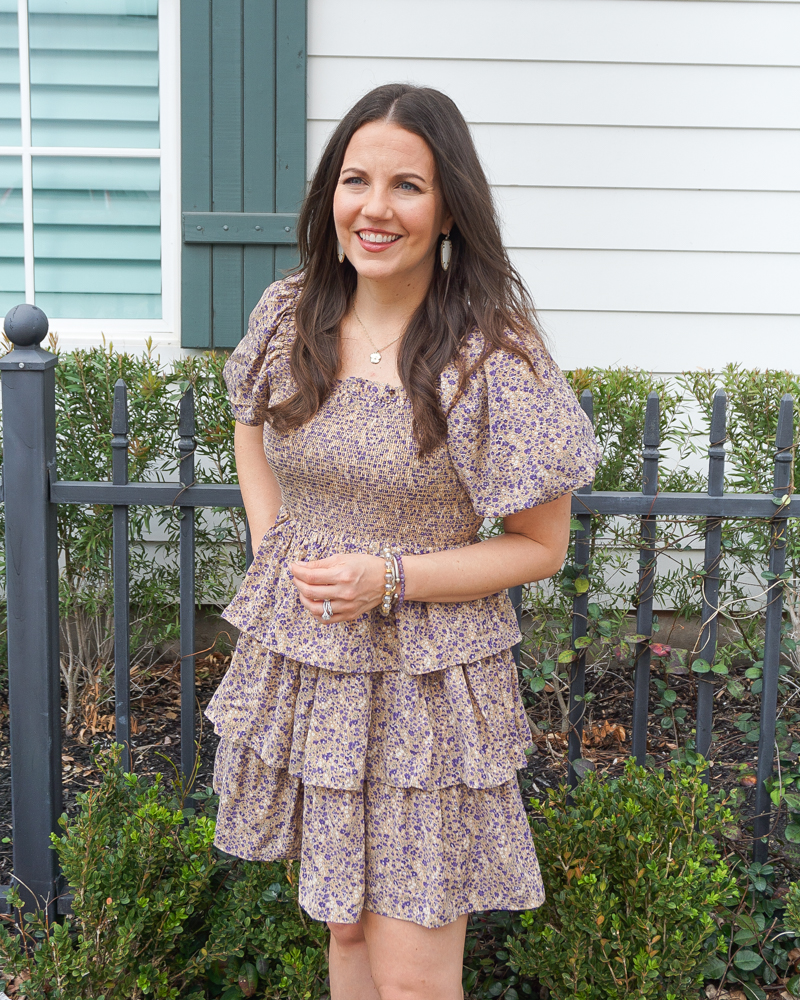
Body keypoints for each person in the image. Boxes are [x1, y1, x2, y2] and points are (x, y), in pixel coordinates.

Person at [205, 83, 600, 1000]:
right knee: (345, 935)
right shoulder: (290, 314)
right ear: (329, 196)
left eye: (407, 186)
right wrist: (277, 553)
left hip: (429, 690)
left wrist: (390, 577)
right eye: (356, 180)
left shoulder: (492, 357)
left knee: (414, 972)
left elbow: (540, 547)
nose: (374, 209)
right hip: (310, 671)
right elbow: (249, 429)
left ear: (450, 204)